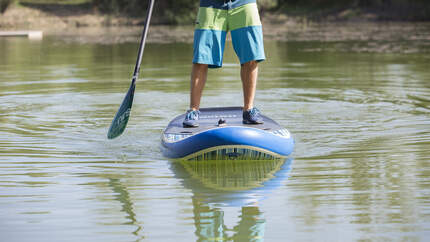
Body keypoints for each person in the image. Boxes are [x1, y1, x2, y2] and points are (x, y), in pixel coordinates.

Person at [183, 0, 266, 127]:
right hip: (211, 4)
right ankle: (193, 111)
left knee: (251, 56)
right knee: (201, 58)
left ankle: (249, 110)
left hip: (244, 3)